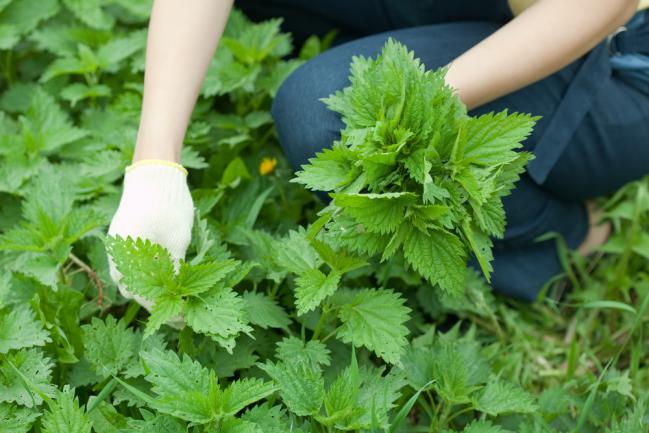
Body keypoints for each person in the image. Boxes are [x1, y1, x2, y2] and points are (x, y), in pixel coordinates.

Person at [107, 0, 649, 306]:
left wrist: (409, 109)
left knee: (326, 119)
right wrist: (154, 165)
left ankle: (567, 238)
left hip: (613, 49)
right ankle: (369, 58)